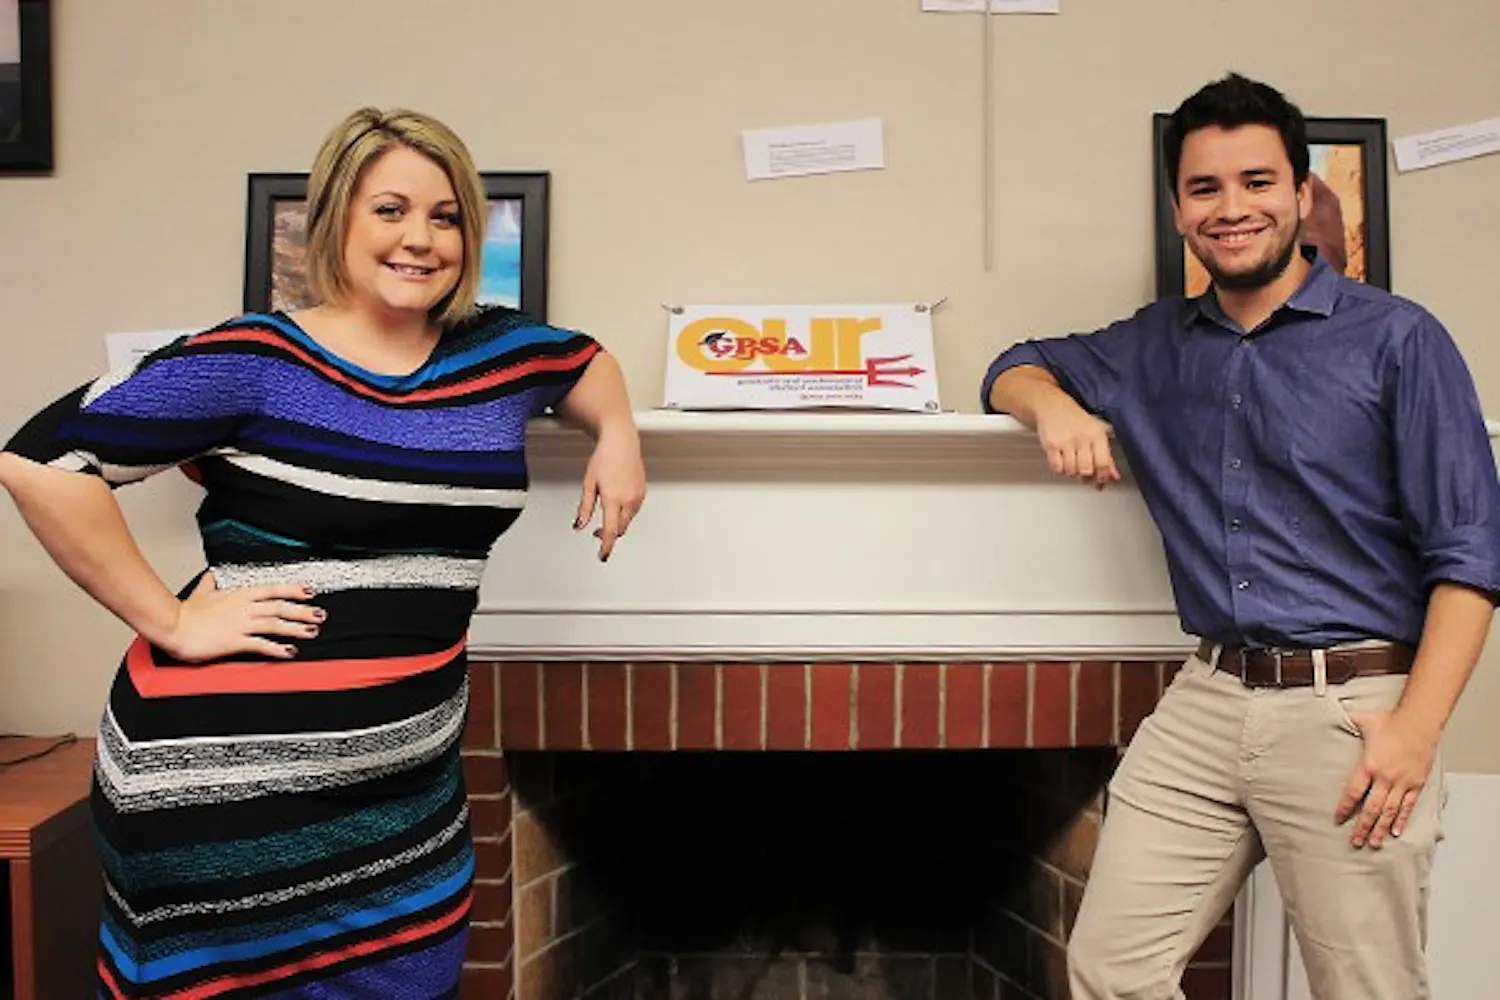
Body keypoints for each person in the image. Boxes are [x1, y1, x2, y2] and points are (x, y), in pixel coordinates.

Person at [0, 107, 646, 998]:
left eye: (446, 215)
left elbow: (586, 360)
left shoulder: (498, 350)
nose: (421, 239)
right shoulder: (252, 356)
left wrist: (618, 436)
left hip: (406, 804)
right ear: (337, 214)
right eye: (391, 210)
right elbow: (42, 461)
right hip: (215, 804)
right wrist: (171, 619)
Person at [982, 73, 1500, 1000]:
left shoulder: (1399, 341)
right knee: (1111, 969)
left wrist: (1417, 730)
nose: (1233, 209)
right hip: (1209, 696)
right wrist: (1056, 409)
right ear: (1178, 208)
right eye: (1205, 188)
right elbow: (1012, 366)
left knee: (1366, 989)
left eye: (1258, 182)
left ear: (1301, 195)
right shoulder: (1154, 344)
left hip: (1354, 709)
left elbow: (1470, 553)